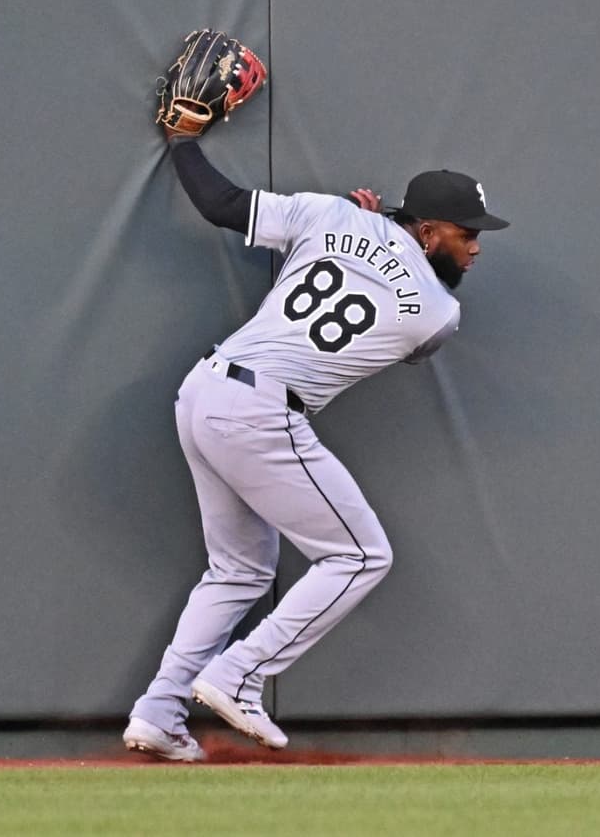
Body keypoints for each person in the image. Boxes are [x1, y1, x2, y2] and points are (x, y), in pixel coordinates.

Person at [122, 136, 508, 761]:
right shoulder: (438, 313)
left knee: (239, 569)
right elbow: (403, 321)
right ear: (430, 231)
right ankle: (238, 675)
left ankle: (159, 713)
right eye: (466, 234)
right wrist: (374, 228)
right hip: (261, 413)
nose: (477, 247)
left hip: (203, 390)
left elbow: (221, 204)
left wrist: (183, 140)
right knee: (361, 557)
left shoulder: (330, 214)